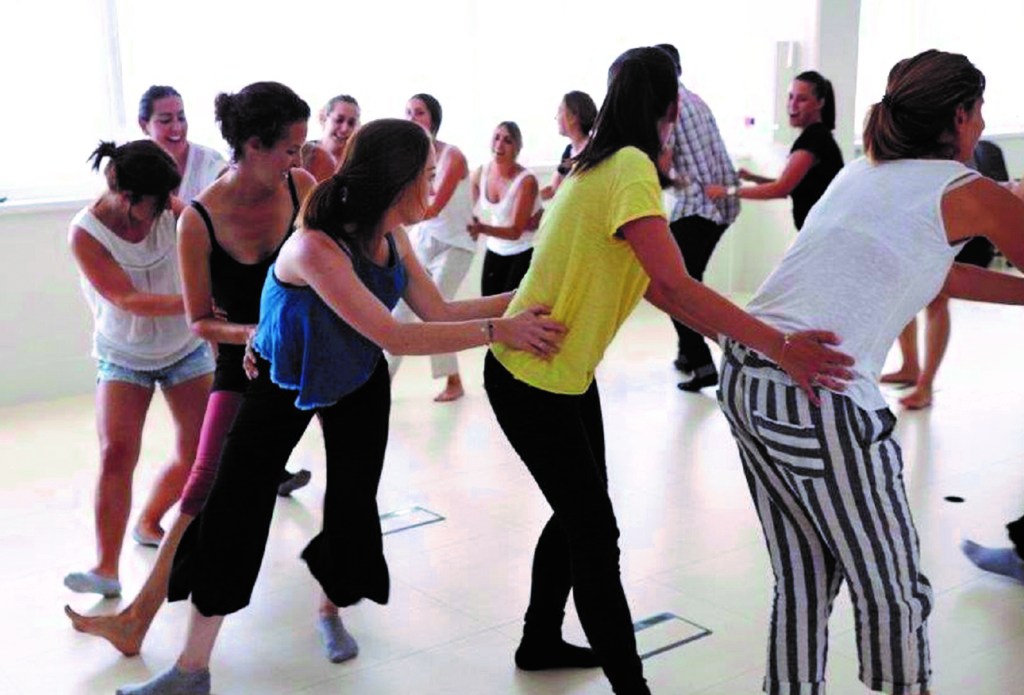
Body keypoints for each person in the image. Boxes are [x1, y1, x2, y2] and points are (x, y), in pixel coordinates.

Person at [115, 118, 566, 695]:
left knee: (352, 504)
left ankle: (329, 610)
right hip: (284, 377)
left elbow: (438, 311)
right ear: (396, 180)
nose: (434, 189)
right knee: (232, 511)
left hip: (356, 376)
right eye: (428, 177)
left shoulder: (393, 237)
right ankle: (190, 668)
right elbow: (395, 334)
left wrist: (529, 298)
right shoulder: (316, 246)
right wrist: (503, 331)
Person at [484, 46, 854, 695]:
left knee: (576, 516)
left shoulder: (599, 162)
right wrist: (779, 347)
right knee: (594, 533)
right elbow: (677, 285)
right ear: (672, 106)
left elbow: (655, 285)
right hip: (532, 380)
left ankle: (539, 639)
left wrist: (741, 342)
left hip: (560, 376)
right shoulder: (629, 167)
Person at [715, 49, 1024, 695]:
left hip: (747, 377)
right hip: (817, 393)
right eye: (979, 111)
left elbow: (937, 272)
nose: (981, 124)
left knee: (803, 578)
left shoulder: (865, 169)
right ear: (961, 115)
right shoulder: (967, 188)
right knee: (895, 588)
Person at [65, 81, 316, 656]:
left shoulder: (298, 187)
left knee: (210, 477)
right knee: (175, 472)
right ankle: (126, 595)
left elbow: (323, 261)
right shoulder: (186, 218)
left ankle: (324, 604)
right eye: (290, 147)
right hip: (180, 357)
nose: (298, 159)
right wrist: (242, 329)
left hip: (268, 360)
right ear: (253, 145)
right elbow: (144, 302)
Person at [64, 141, 215, 598]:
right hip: (123, 354)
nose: (166, 208)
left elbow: (209, 245)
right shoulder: (86, 233)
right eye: (156, 202)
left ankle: (149, 520)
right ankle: (106, 569)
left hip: (185, 349)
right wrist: (199, 304)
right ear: (126, 196)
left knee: (200, 451)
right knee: (116, 452)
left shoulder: (173, 209)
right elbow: (126, 299)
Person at [880, 140, 1010, 409]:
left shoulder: (954, 148)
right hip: (924, 222)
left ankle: (925, 385)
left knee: (937, 298)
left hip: (954, 228)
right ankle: (910, 366)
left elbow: (966, 192)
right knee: (905, 292)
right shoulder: (910, 146)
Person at [653, 43, 741, 394]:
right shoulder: (697, 101)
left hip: (696, 206)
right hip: (717, 207)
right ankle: (687, 355)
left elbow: (663, 166)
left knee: (674, 287)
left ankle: (703, 364)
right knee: (688, 280)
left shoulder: (669, 108)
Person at [389, 93, 475, 402]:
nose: (412, 117)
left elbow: (433, 207)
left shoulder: (453, 156)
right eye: (408, 112)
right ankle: (380, 383)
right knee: (399, 310)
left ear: (434, 119)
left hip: (456, 245)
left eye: (419, 112)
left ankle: (454, 381)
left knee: (435, 313)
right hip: (425, 240)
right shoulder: (410, 161)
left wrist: (385, 219)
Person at [708, 70, 844, 232]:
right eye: (791, 97)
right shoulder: (816, 136)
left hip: (823, 233)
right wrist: (753, 178)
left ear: (820, 103)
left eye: (802, 99)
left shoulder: (814, 139)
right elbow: (794, 184)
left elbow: (781, 189)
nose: (793, 105)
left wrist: (726, 191)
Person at [469, 121, 541, 296]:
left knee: (510, 308)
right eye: (496, 138)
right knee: (487, 304)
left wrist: (481, 228)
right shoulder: (481, 172)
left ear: (517, 148)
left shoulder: (526, 181)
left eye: (507, 140)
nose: (499, 145)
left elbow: (515, 231)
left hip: (523, 249)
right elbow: (465, 209)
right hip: (495, 248)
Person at [137, 86, 226, 204]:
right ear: (144, 125)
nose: (177, 128)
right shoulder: (136, 165)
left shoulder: (211, 163)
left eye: (181, 118)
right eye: (165, 120)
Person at [540, 91, 597, 200]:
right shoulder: (568, 151)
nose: (556, 117)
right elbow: (553, 189)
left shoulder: (593, 151)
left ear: (573, 117)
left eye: (560, 111)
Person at [300, 95, 361, 182]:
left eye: (351, 123)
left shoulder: (356, 165)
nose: (344, 129)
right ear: (324, 118)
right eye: (339, 120)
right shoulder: (303, 154)